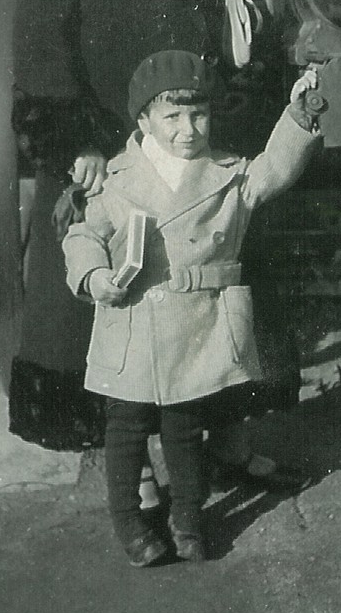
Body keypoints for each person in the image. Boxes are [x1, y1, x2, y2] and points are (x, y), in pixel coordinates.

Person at [10, 0, 264, 452]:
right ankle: (118, 459)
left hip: (185, 136)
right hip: (101, 147)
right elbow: (40, 50)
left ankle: (204, 440)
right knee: (103, 297)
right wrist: (73, 145)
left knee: (191, 290)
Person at [62, 50, 321, 566]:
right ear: (144, 121)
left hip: (197, 324)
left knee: (185, 425)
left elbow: (273, 169)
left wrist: (299, 116)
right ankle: (130, 521)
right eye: (172, 116)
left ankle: (187, 517)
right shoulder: (117, 180)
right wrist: (93, 276)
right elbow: (83, 234)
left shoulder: (227, 175)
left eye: (198, 114)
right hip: (131, 321)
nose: (187, 129)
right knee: (126, 427)